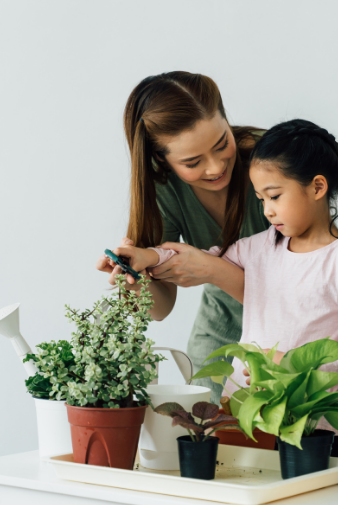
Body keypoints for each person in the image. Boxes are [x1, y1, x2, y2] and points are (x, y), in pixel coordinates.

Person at [109, 119, 338, 457]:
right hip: (244, 418)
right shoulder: (258, 247)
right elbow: (201, 258)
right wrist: (147, 256)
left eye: (274, 196)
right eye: (260, 199)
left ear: (317, 187)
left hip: (309, 427)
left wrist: (295, 363)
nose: (267, 210)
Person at [95, 72, 270, 403]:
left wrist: (211, 269)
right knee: (207, 432)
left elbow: (303, 296)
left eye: (222, 144)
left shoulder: (276, 160)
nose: (216, 166)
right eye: (192, 162)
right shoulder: (163, 189)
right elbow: (161, 309)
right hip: (221, 329)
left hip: (296, 330)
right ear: (162, 159)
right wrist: (138, 284)